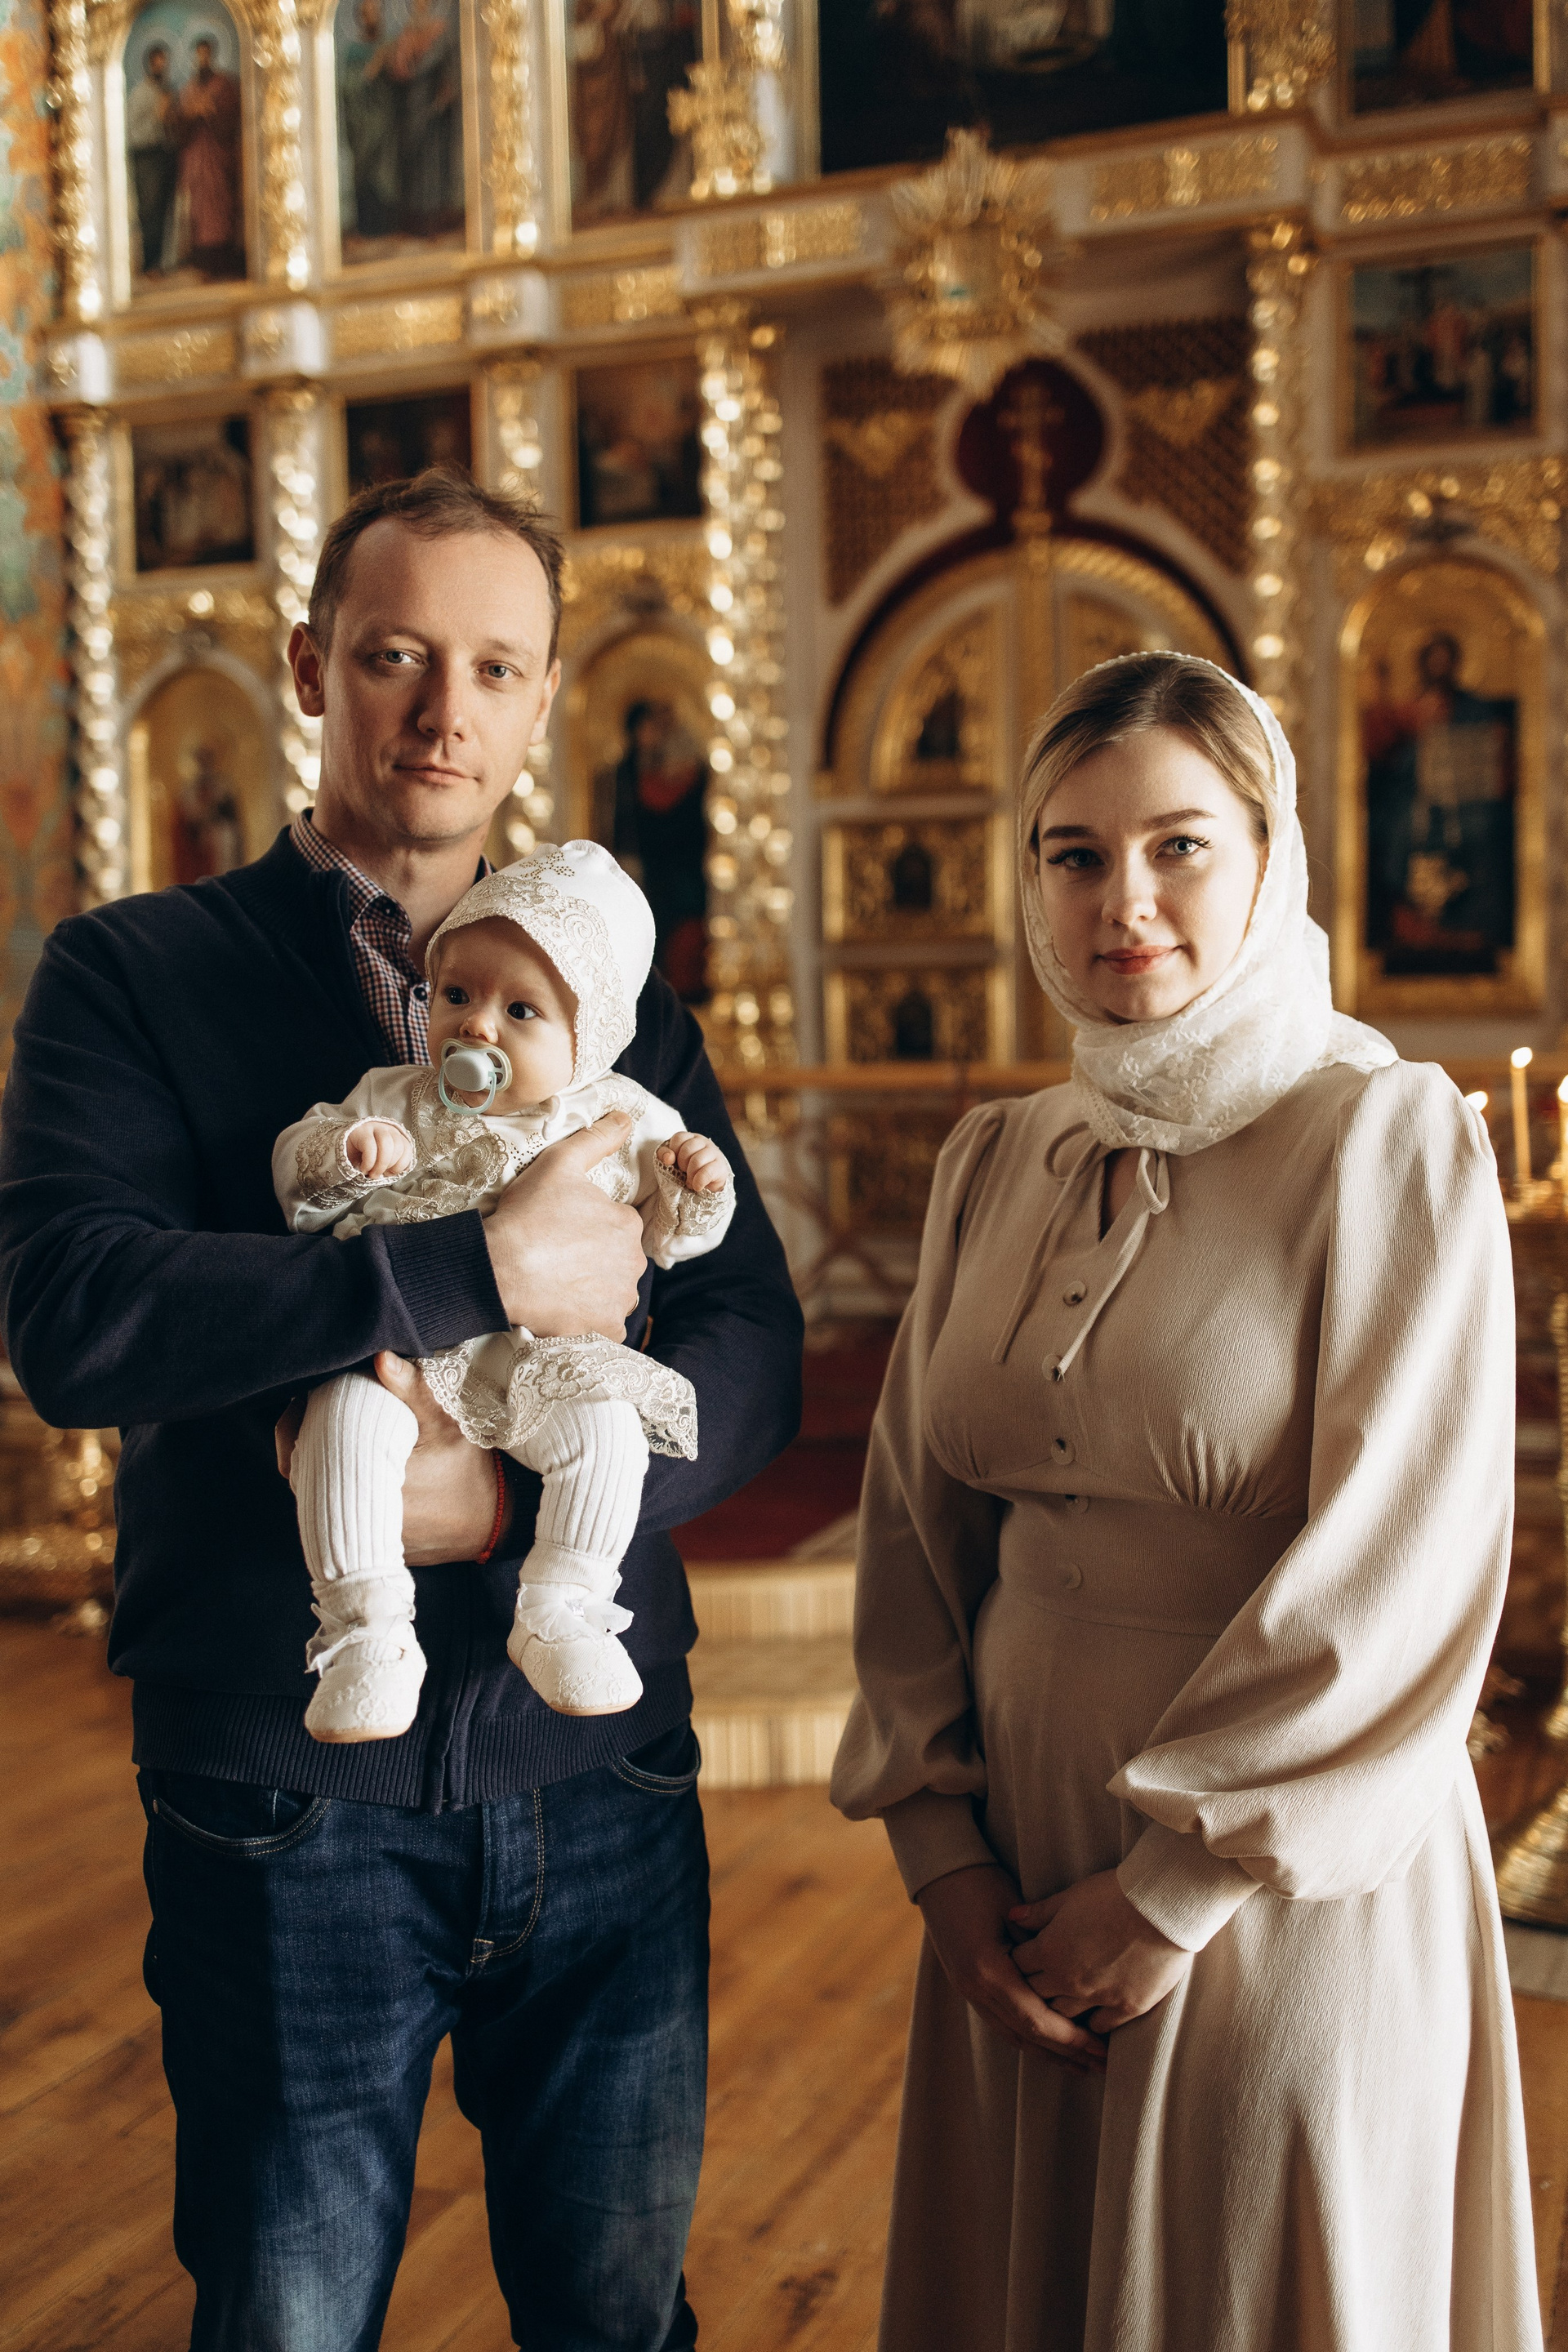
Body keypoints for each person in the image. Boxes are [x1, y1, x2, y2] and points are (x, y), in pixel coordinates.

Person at [0, 465, 803, 2351]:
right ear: (310, 667)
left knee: (617, 2317)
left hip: (601, 1769)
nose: (446, 710)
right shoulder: (131, 974)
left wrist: (519, 1506)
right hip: (284, 1783)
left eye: (495, 667)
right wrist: (470, 1268)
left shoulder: (624, 1011)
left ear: (543, 700)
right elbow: (78, 1319)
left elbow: (754, 1338)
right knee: (287, 2321)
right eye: (394, 656)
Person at [831, 650, 1539, 2352]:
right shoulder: (1000, 1159)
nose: (1123, 902)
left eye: (1180, 847)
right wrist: (940, 1851)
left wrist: (1170, 1893)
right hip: (1013, 1852)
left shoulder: (1385, 1141)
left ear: (1273, 856)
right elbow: (914, 1522)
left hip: (1281, 1876)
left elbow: (1406, 1566)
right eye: (1073, 855)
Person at [274, 842, 735, 1738]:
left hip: (542, 1364)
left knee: (607, 1434)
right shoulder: (394, 1097)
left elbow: (680, 1243)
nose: (477, 1027)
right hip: (403, 1352)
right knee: (341, 1425)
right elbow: (298, 1173)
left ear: (589, 1038)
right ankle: (364, 1632)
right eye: (456, 995)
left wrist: (696, 1185)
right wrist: (347, 1155)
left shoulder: (625, 1117)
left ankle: (564, 1607)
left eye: (520, 1010)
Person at [174, 34, 243, 279]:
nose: (202, 59)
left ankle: (222, 257)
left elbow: (231, 118)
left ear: (212, 55)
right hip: (196, 157)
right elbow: (180, 125)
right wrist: (191, 115)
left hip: (218, 155)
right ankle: (203, 259)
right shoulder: (188, 89)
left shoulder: (224, 85)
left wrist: (212, 111)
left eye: (206, 54)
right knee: (199, 209)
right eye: (199, 55)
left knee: (221, 205)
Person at [127, 40, 177, 277]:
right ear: (150, 64)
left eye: (164, 63)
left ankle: (161, 261)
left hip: (165, 155)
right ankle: (149, 264)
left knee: (165, 209)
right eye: (157, 63)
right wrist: (158, 117)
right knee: (149, 211)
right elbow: (133, 132)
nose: (161, 67)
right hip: (146, 157)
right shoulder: (140, 94)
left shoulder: (167, 92)